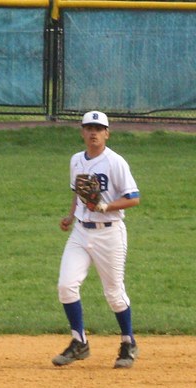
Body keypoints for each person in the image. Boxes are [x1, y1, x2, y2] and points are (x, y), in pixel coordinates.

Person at [53, 110, 141, 368]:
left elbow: (134, 198)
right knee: (66, 286)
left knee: (113, 293)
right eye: (89, 128)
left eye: (98, 128)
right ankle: (79, 342)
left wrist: (105, 207)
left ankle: (128, 342)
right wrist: (70, 216)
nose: (93, 132)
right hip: (81, 232)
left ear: (107, 133)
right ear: (82, 132)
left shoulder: (115, 162)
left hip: (109, 233)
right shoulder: (76, 160)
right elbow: (78, 193)